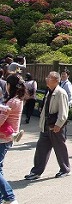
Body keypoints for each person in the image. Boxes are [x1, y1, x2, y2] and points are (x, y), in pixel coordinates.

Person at [24, 71, 71, 180]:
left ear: (56, 80)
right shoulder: (50, 91)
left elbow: (63, 111)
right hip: (46, 125)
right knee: (41, 148)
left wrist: (58, 124)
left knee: (60, 148)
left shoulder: (61, 93)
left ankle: (65, 169)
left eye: (49, 77)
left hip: (55, 126)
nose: (46, 79)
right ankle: (36, 171)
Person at [0, 74, 26, 203]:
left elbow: (1, 121)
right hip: (7, 137)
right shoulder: (18, 100)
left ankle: (9, 196)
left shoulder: (12, 101)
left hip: (3, 138)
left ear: (10, 85)